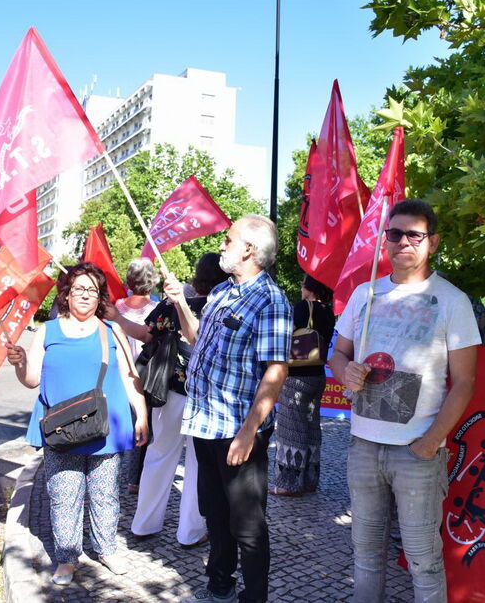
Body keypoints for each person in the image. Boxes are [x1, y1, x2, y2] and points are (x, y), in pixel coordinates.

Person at [329, 199, 480, 603]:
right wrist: (345, 369)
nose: (402, 242)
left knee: (423, 560)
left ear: (433, 242)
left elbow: (465, 382)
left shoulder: (452, 301)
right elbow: (336, 353)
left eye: (414, 234)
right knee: (365, 554)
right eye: (394, 233)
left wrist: (430, 443)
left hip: (417, 452)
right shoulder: (366, 294)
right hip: (363, 444)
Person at [165, 215, 292, 603]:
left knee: (247, 525)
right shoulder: (221, 292)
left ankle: (254, 598)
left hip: (238, 432)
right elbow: (197, 337)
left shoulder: (271, 300)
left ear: (248, 249)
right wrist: (179, 304)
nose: (222, 244)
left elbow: (276, 369)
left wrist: (249, 431)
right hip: (205, 424)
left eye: (228, 239)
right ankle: (219, 585)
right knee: (215, 515)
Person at [5, 262, 149, 585]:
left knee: (105, 494)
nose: (85, 295)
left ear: (100, 298)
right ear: (66, 295)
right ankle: (67, 558)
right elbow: (30, 380)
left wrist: (141, 413)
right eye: (79, 289)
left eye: (92, 291)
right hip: (61, 429)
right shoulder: (48, 331)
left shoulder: (112, 331)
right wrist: (20, 363)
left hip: (104, 428)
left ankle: (106, 548)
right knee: (64, 494)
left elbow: (130, 376)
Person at [130, 252, 227, 547]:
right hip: (204, 396)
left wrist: (117, 318)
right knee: (198, 466)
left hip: (168, 392)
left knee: (158, 457)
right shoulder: (222, 308)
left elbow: (147, 334)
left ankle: (143, 524)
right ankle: (190, 532)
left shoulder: (171, 305)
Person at [270, 274, 335, 497]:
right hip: (318, 375)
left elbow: (285, 333)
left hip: (297, 375)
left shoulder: (302, 307)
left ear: (308, 287)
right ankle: (309, 480)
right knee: (311, 428)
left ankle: (288, 483)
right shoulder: (328, 311)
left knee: (291, 429)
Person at [107, 258, 160, 493]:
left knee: (118, 421)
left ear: (129, 281)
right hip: (146, 374)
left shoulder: (116, 307)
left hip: (118, 372)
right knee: (143, 422)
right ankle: (135, 479)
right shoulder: (157, 310)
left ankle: (112, 471)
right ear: (152, 282)